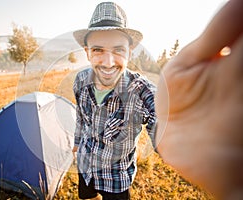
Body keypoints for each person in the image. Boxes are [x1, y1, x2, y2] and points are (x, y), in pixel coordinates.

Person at [155, 0, 243, 199]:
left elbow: (149, 114)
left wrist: (166, 125)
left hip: (120, 176)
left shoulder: (138, 86)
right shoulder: (82, 82)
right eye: (98, 49)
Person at [72, 2, 156, 199]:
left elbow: (162, 115)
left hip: (116, 179)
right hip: (85, 167)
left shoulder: (140, 91)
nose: (108, 63)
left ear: (130, 51)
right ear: (87, 52)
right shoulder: (81, 80)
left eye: (118, 50)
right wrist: (77, 143)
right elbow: (81, 117)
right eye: (98, 50)